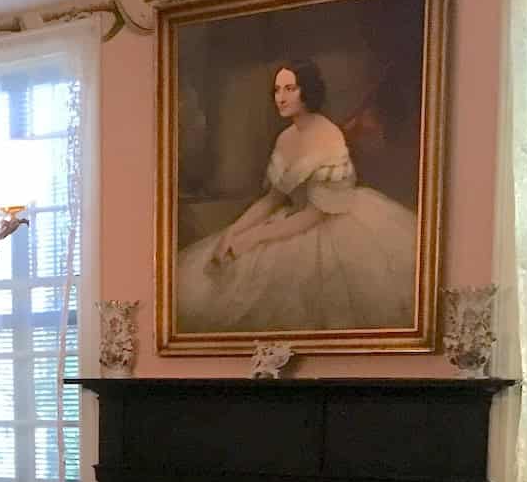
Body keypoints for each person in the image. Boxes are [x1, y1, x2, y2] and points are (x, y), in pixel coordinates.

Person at [173, 59, 418, 334]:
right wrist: (234, 232)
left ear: (308, 92)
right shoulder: (286, 137)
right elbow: (272, 200)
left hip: (329, 224)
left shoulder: (328, 137)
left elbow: (315, 214)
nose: (281, 97)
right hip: (291, 219)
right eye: (277, 90)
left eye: (290, 89)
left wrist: (253, 238)